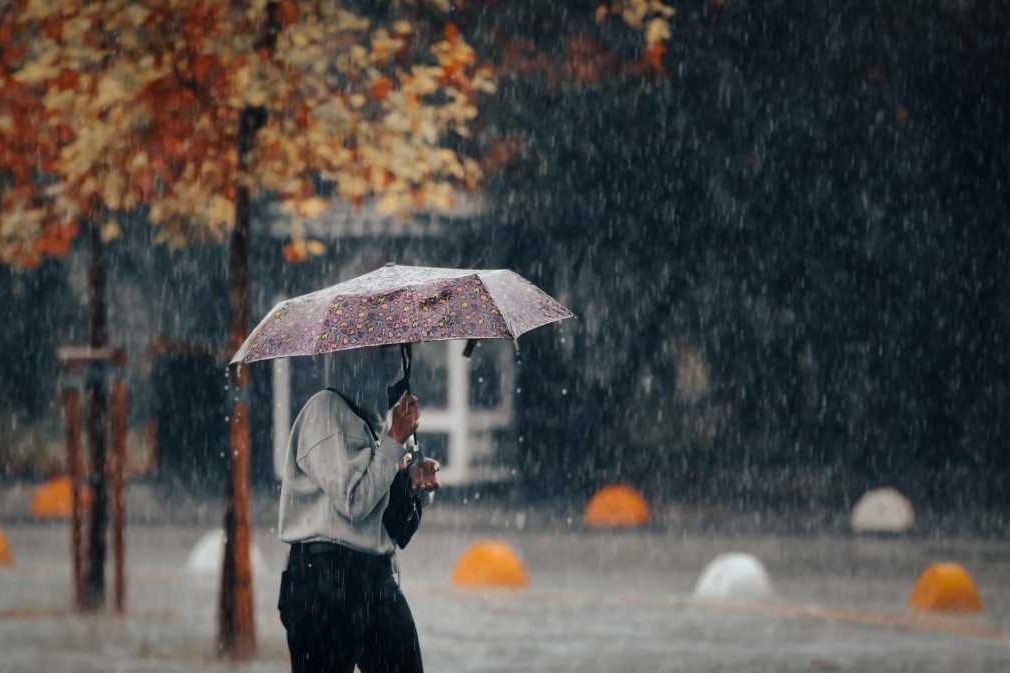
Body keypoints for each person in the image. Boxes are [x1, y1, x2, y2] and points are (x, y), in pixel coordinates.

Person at [277, 345, 440, 673]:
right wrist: (394, 439)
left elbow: (387, 517)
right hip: (324, 579)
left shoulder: (375, 422)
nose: (391, 367)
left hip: (374, 578)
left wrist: (413, 483)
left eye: (396, 354)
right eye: (381, 354)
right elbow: (354, 501)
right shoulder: (323, 413)